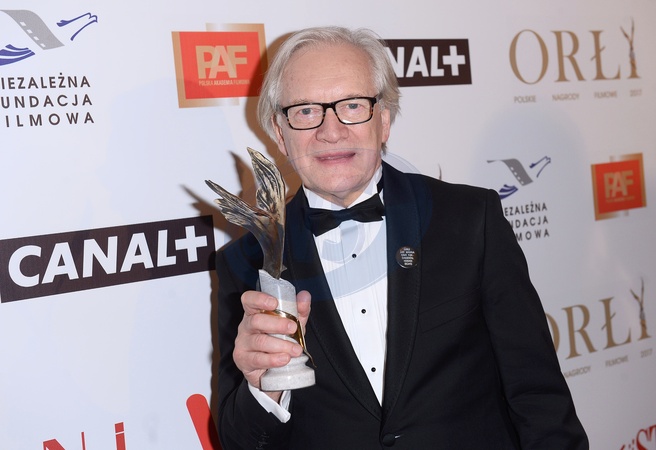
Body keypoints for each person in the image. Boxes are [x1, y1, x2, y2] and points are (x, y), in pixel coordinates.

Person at [214, 25, 589, 449]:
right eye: (305, 111)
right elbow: (239, 440)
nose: (331, 131)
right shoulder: (247, 261)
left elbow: (539, 396)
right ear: (280, 133)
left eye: (352, 105)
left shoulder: (471, 220)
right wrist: (262, 387)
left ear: (384, 120)